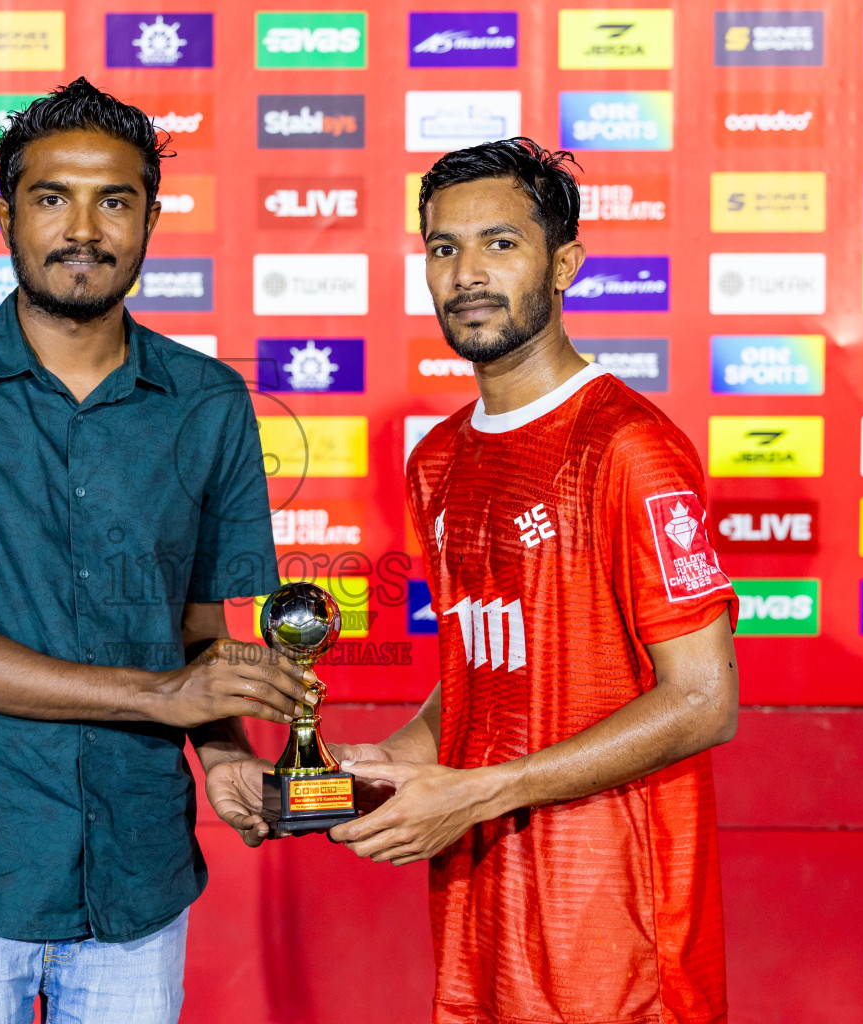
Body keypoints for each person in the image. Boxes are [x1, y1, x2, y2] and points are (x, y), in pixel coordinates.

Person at [0, 77, 312, 1024]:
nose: (83, 227)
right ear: (5, 214)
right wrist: (160, 696)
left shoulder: (208, 402)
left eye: (114, 199)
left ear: (151, 219)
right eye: (53, 197)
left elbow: (197, 636)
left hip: (139, 876)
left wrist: (222, 758)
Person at [328, 138, 741, 1023]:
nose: (468, 273)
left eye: (500, 243)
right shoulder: (438, 461)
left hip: (614, 938)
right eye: (444, 249)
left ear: (565, 265)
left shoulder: (629, 445)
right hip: (483, 912)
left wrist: (477, 793)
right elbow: (489, 674)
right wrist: (396, 759)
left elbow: (704, 699)